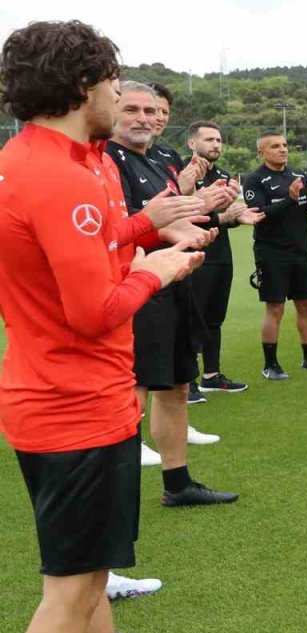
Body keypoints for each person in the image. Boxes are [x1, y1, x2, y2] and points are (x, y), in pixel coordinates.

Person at [0, 20, 204, 633]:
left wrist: (143, 225)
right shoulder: (54, 173)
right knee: (71, 589)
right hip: (73, 404)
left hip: (56, 395)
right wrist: (160, 268)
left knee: (83, 576)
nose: (122, 94)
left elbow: (78, 253)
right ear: (83, 85)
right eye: (115, 80)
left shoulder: (45, 159)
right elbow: (92, 308)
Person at [108, 82, 238, 506]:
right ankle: (114, 493)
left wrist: (201, 216)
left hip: (175, 281)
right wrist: (176, 224)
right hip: (137, 287)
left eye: (151, 110)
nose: (144, 118)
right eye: (132, 109)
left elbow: (167, 217)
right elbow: (124, 226)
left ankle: (177, 483)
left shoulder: (159, 161)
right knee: (136, 390)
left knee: (177, 385)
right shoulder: (107, 160)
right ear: (113, 109)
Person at [241, 131, 307, 378]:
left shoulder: (298, 175)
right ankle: (270, 364)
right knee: (276, 308)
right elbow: (259, 214)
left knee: (306, 304)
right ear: (261, 152)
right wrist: (290, 199)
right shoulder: (255, 180)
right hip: (271, 253)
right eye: (275, 146)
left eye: (284, 144)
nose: (283, 149)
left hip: (300, 251)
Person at [187, 121, 261, 398]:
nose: (216, 144)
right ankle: (188, 381)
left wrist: (238, 216)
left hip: (221, 255)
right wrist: (223, 217)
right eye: (209, 140)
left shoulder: (223, 175)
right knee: (192, 319)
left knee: (214, 319)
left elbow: (226, 216)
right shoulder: (182, 175)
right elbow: (184, 215)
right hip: (193, 256)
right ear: (192, 144)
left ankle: (212, 375)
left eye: (218, 140)